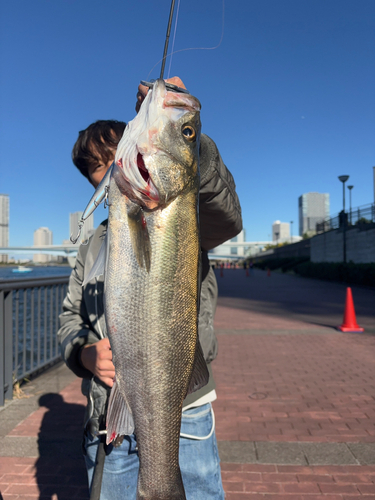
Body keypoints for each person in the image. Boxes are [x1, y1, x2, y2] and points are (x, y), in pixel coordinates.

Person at [58, 77, 242, 499]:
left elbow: (228, 216)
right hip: (111, 411)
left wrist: (190, 139)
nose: (104, 169)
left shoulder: (186, 210)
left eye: (111, 155)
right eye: (93, 167)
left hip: (184, 406)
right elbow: (70, 317)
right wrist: (83, 354)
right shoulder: (90, 247)